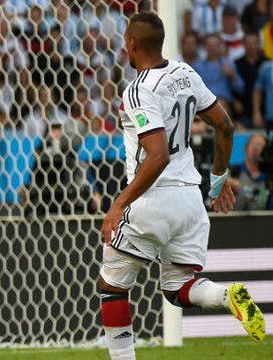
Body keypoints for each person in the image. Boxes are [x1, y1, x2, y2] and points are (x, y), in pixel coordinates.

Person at [99, 13, 265, 360]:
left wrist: (119, 203)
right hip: (190, 201)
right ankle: (226, 295)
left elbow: (156, 156)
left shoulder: (138, 90)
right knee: (178, 289)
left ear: (130, 44)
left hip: (151, 201)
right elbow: (225, 127)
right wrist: (218, 181)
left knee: (111, 287)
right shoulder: (186, 73)